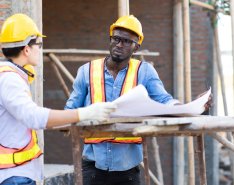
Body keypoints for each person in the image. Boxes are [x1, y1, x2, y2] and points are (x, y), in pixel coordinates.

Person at [65, 15, 212, 185]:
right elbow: (70, 110)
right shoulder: (86, 71)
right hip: (92, 168)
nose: (120, 44)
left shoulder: (145, 71)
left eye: (127, 41)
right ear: (110, 39)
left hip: (128, 170)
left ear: (136, 47)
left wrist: (191, 107)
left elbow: (165, 100)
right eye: (116, 39)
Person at [0, 13, 117, 185]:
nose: (40, 49)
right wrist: (84, 113)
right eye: (39, 44)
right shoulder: (10, 80)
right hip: (14, 176)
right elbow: (34, 117)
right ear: (26, 49)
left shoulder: (12, 77)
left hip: (16, 173)